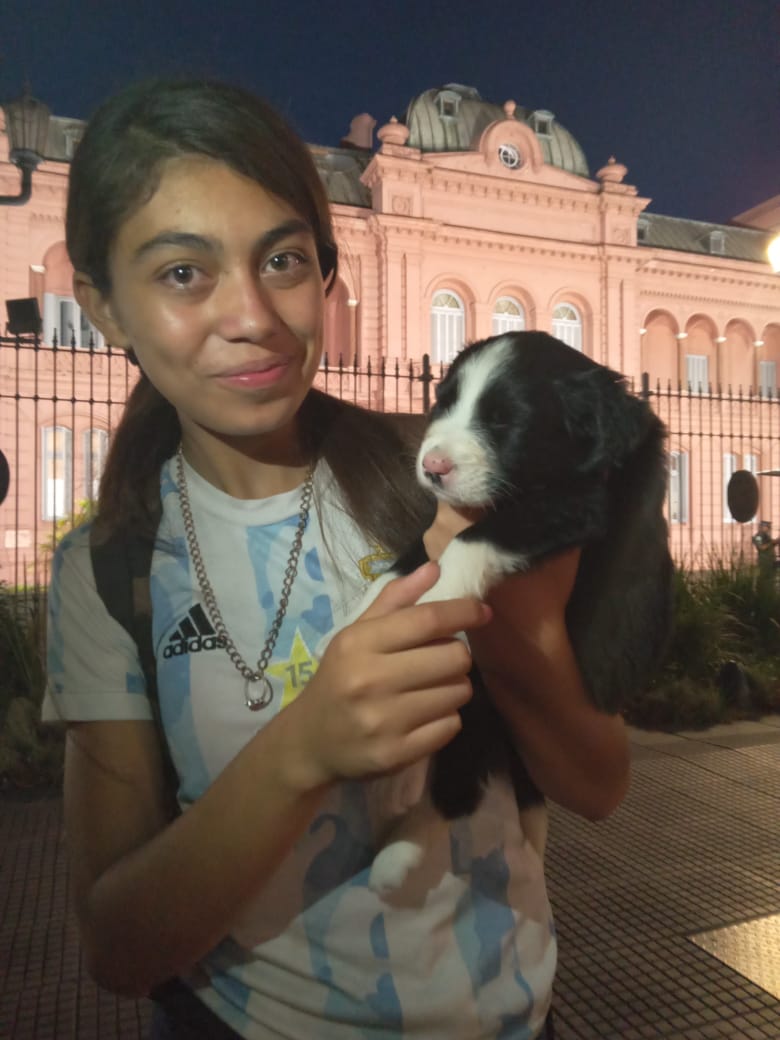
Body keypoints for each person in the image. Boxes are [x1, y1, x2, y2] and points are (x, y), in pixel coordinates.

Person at [44, 78, 630, 1040]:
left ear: (325, 271)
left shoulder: (440, 481)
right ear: (104, 307)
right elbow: (118, 947)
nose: (254, 318)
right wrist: (305, 750)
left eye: (282, 259)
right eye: (183, 274)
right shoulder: (109, 571)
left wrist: (525, 649)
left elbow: (598, 782)